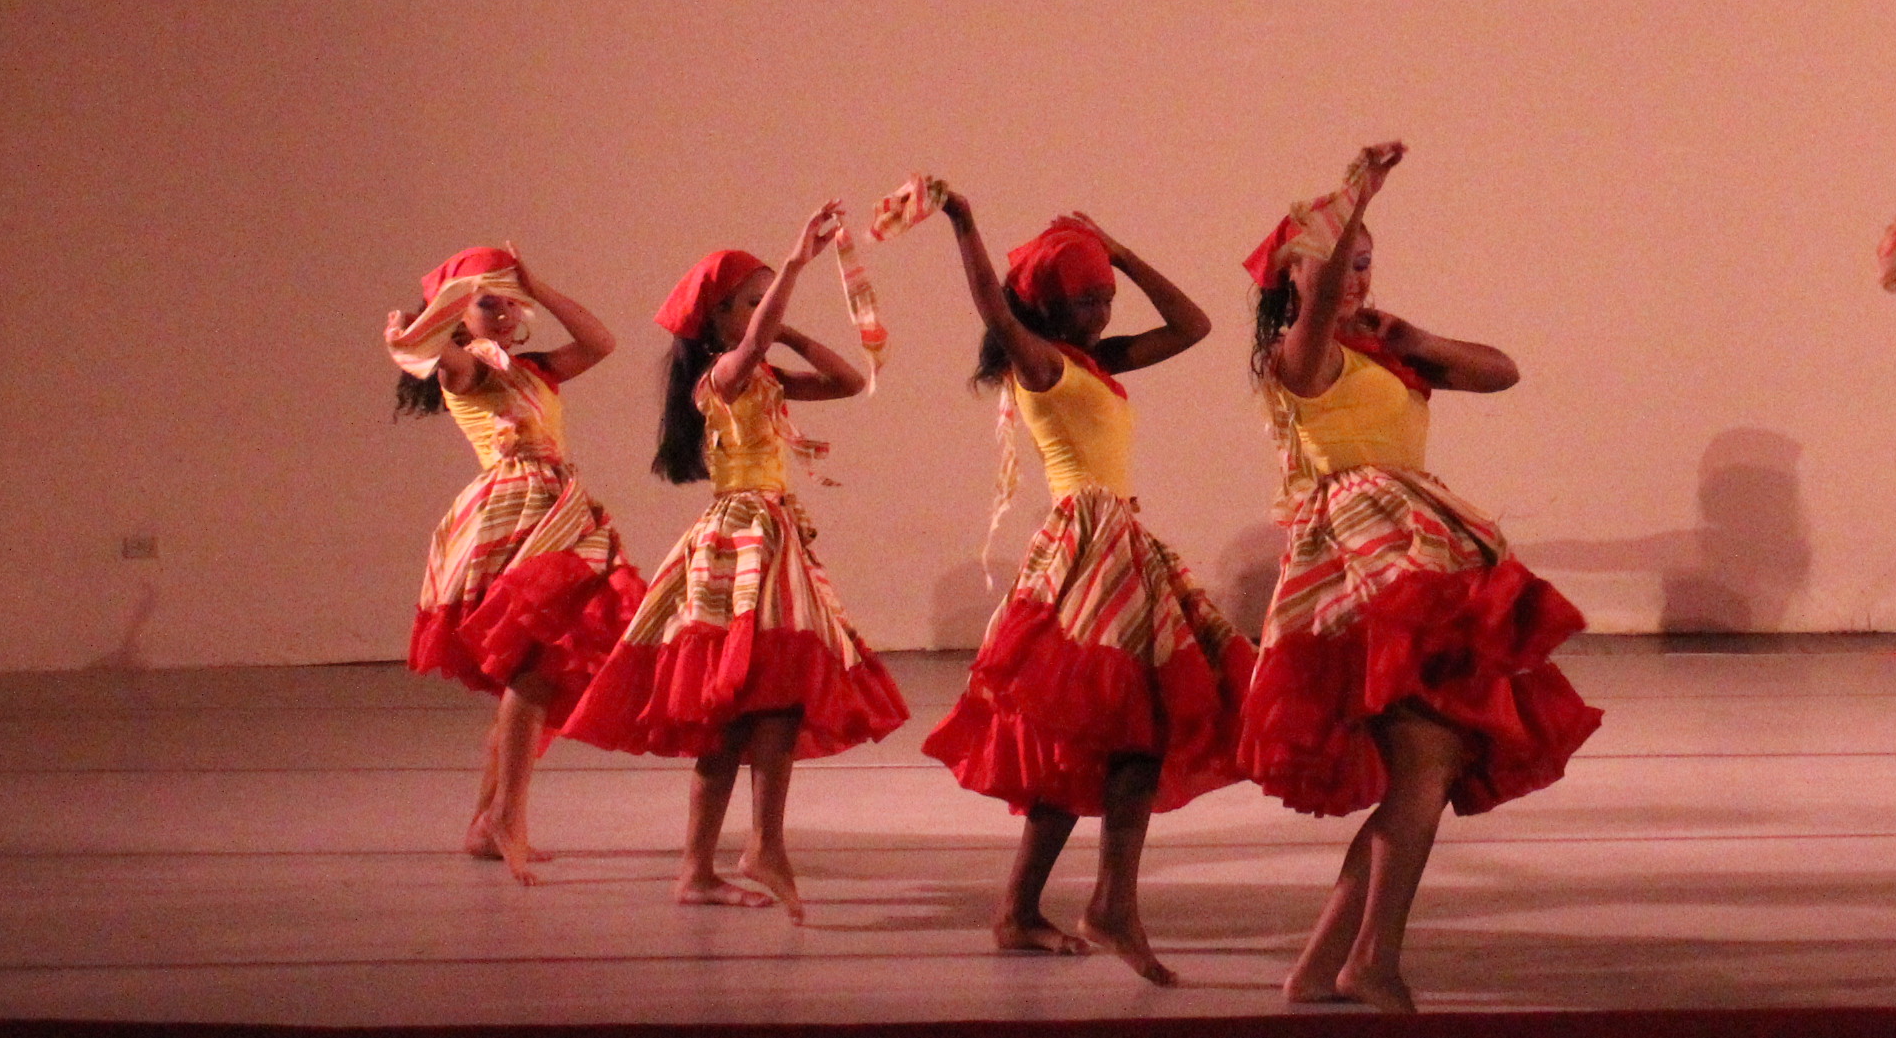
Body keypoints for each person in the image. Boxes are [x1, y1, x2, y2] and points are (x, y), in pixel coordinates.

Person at [1239, 142, 1602, 1014]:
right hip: (1365, 570)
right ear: (1295, 283)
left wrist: (1416, 338)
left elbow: (1502, 371)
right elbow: (1321, 300)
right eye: (1339, 267)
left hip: (1424, 556)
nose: (1355, 279)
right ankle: (1371, 962)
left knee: (1424, 774)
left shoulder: (1383, 355)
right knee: (1424, 768)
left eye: (1365, 264)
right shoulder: (1300, 361)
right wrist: (1356, 201)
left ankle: (1327, 969)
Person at [920, 195, 1251, 980]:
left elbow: (1195, 326)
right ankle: (1106, 906)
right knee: (1125, 731)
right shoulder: (1039, 362)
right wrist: (965, 223)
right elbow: (992, 308)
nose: (1102, 312)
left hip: (1119, 544)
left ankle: (1029, 909)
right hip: (1086, 550)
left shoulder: (1101, 361)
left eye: (1107, 299)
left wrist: (1122, 253)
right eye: (1087, 299)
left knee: (1108, 734)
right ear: (1045, 302)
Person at [564, 207, 908, 919]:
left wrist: (789, 325)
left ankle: (750, 850)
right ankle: (722, 859)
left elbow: (846, 380)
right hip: (739, 539)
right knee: (731, 711)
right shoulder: (720, 378)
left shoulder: (766, 377)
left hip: (775, 536)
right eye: (749, 304)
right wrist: (794, 264)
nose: (762, 317)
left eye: (761, 302)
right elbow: (751, 347)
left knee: (775, 700)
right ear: (719, 319)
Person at [387, 245, 643, 881]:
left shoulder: (536, 368)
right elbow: (428, 352)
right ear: (457, 314)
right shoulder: (467, 370)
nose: (501, 312)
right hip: (513, 514)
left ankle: (488, 818)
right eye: (485, 302)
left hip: (560, 507)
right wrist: (418, 326)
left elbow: (601, 341)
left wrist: (539, 285)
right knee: (538, 660)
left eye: (508, 300)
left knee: (541, 666)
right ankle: (508, 814)